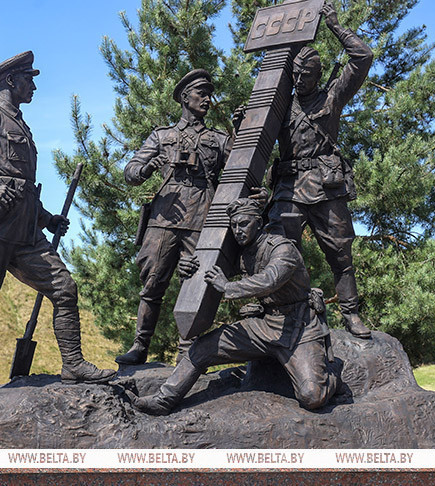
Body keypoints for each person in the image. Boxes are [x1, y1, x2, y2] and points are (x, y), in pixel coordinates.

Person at [0, 51, 115, 403]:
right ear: (11, 81)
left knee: (64, 288)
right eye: (28, 79)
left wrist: (47, 219)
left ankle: (73, 364)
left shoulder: (18, 124)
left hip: (26, 232)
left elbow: (20, 184)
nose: (33, 86)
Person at [131, 197, 341, 415]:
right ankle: (164, 400)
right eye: (234, 225)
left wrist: (227, 287)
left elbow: (269, 280)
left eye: (244, 224)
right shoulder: (243, 254)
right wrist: (187, 269)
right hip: (266, 325)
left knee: (312, 397)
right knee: (202, 348)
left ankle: (332, 377)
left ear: (259, 223)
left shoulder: (282, 249)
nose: (238, 230)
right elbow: (209, 271)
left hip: (299, 327)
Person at [266, 2, 374, 338]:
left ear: (318, 74)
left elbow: (363, 57)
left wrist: (335, 26)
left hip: (325, 186)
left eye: (306, 75)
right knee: (278, 250)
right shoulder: (281, 104)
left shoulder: (332, 97)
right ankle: (281, 313)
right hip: (288, 187)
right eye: (296, 74)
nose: (300, 80)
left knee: (341, 254)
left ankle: (351, 314)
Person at [116, 69, 231, 366]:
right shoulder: (162, 135)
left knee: (196, 284)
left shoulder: (218, 139)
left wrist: (242, 131)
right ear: (184, 97)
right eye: (201, 94)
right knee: (152, 281)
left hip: (202, 217)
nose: (207, 100)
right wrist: (147, 168)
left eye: (209, 95)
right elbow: (130, 172)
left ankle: (187, 351)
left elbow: (239, 169)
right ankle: (140, 345)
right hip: (165, 216)